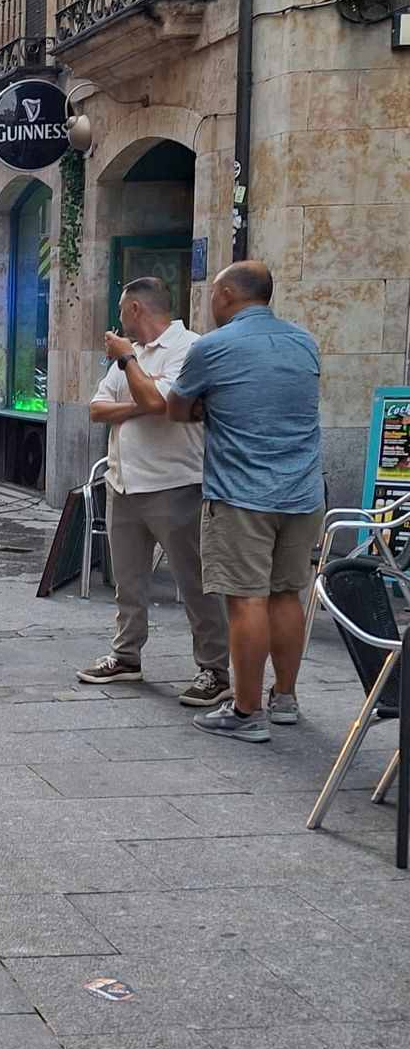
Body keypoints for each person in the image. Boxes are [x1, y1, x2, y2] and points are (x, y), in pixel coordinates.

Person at [167, 260, 324, 742]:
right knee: (286, 594)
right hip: (302, 492)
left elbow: (176, 409)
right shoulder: (304, 342)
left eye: (213, 293)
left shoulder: (212, 348)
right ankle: (285, 700)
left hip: (241, 494)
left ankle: (246, 710)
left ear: (229, 295)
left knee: (247, 599)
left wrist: (210, 405)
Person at [78, 277, 230, 705]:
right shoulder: (133, 356)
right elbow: (97, 408)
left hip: (174, 483)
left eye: (122, 310)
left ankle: (215, 670)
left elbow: (165, 402)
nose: (119, 320)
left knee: (196, 583)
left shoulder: (188, 348)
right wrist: (142, 401)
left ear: (136, 310)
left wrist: (130, 365)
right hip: (123, 481)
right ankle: (126, 656)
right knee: (129, 582)